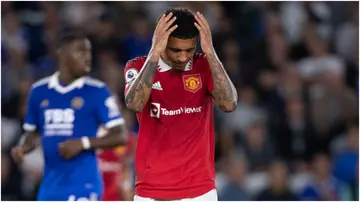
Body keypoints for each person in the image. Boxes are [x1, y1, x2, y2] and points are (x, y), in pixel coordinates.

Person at [124, 8, 238, 201]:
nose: (183, 57)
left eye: (189, 50)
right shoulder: (137, 66)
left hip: (200, 189)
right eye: (175, 50)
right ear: (162, 41)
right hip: (151, 189)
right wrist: (154, 54)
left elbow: (229, 104)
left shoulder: (204, 65)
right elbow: (135, 103)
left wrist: (210, 53)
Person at [10, 33, 127, 201]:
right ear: (62, 54)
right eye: (80, 51)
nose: (88, 57)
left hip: (84, 185)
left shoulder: (97, 91)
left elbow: (120, 135)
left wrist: (83, 143)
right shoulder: (39, 91)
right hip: (50, 186)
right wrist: (22, 148)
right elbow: (32, 134)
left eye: (89, 52)